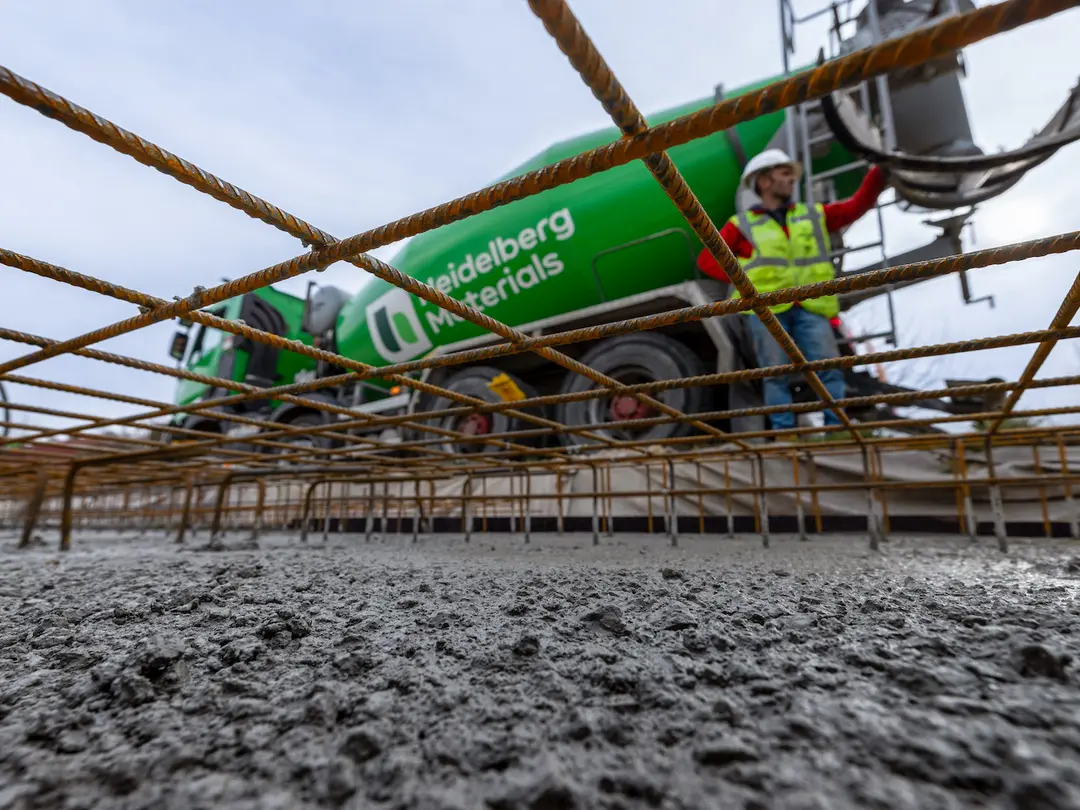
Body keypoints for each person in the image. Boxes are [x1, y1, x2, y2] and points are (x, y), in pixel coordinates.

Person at [696, 149, 888, 436]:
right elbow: (707, 260)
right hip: (766, 310)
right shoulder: (742, 224)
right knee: (775, 375)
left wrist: (880, 173)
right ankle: (785, 437)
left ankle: (836, 432)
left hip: (812, 306)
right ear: (764, 182)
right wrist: (743, 281)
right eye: (784, 173)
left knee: (829, 371)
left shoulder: (812, 215)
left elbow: (855, 208)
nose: (791, 180)